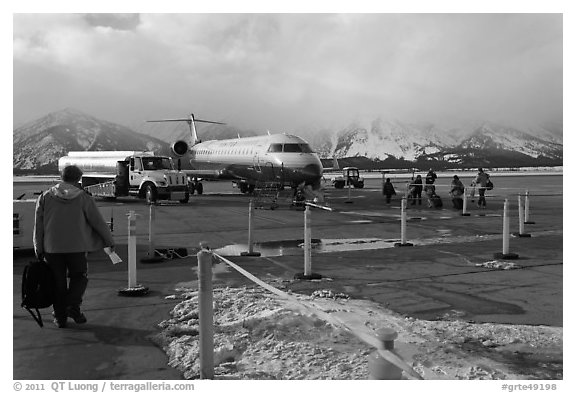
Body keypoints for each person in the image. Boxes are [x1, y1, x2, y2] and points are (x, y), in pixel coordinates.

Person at [34, 165, 115, 328]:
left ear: (61, 176)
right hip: (77, 247)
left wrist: (38, 247)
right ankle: (72, 305)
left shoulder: (45, 197)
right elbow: (97, 222)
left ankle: (60, 317)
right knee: (79, 276)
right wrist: (109, 241)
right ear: (78, 179)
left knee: (57, 282)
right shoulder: (84, 198)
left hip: (52, 248)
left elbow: (39, 225)